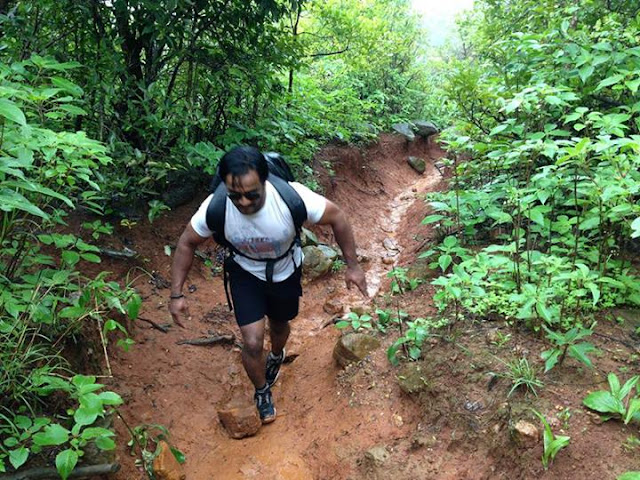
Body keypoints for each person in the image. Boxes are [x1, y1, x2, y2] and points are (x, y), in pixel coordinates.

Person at [169, 145, 367, 424]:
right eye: (235, 195)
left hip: (285, 271)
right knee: (252, 342)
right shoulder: (216, 207)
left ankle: (276, 355)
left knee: (280, 326)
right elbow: (187, 242)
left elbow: (338, 218)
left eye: (252, 194)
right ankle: (262, 390)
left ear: (265, 182)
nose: (243, 202)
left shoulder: (292, 198)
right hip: (244, 273)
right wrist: (176, 294)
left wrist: (353, 266)